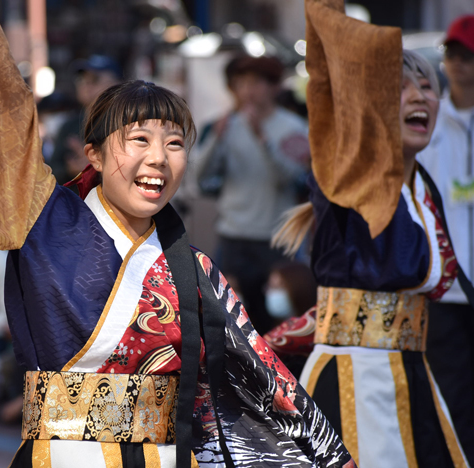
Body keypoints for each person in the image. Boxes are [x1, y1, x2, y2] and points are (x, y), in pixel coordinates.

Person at [0, 0, 355, 466]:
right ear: (93, 153)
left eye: (175, 143)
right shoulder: (41, 219)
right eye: (139, 139)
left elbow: (261, 380)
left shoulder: (194, 270)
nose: (158, 157)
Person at [274, 3, 471, 464]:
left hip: (411, 370)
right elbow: (330, 84)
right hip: (357, 377)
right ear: (372, 105)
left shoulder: (423, 186)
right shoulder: (347, 178)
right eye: (400, 88)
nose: (420, 97)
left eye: (427, 86)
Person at [197, 54, 311, 335]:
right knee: (227, 322)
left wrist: (264, 141)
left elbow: (294, 180)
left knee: (282, 321)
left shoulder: (294, 128)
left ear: (274, 87)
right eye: (241, 83)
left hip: (277, 240)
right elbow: (199, 180)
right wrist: (216, 140)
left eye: (256, 82)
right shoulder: (222, 125)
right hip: (233, 237)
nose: (248, 90)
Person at [416, 14, 474, 460]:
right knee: (449, 395)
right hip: (445, 289)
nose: (459, 64)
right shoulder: (427, 125)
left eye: (468, 56)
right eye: (453, 54)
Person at [49, 54, 123, 184]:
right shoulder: (69, 126)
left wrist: (97, 166)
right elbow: (51, 173)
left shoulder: (126, 124)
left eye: (95, 79)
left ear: (116, 84)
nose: (86, 84)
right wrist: (70, 169)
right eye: (81, 79)